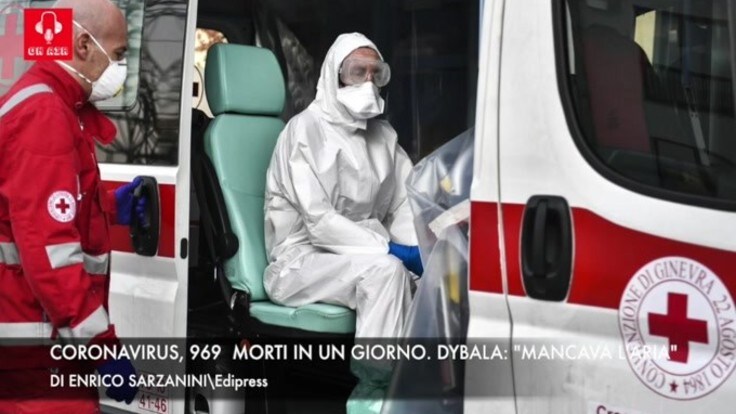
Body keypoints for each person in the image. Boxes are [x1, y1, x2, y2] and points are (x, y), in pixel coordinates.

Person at [264, 32, 422, 414]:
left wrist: (420, 250)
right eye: (356, 72)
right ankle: (373, 394)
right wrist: (390, 250)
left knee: (425, 279)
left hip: (357, 257)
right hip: (300, 261)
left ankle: (415, 388)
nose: (367, 82)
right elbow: (319, 222)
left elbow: (405, 201)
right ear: (334, 75)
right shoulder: (304, 130)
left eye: (375, 73)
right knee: (386, 272)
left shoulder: (383, 136)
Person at [0, 0, 145, 412]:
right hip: (38, 349)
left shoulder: (51, 103)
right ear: (83, 45)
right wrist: (102, 347)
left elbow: (38, 209)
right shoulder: (44, 114)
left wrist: (108, 208)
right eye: (118, 54)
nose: (120, 67)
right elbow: (50, 251)